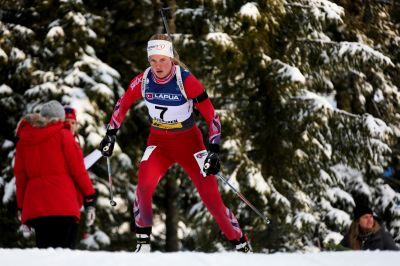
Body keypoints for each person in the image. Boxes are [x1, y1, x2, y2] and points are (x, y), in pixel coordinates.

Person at [100, 34, 250, 252]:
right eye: (153, 60)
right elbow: (122, 105)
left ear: (171, 58)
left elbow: (212, 117)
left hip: (190, 144)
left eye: (162, 60)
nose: (157, 65)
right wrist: (110, 134)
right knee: (143, 184)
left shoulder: (186, 80)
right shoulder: (143, 80)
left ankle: (241, 245)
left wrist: (214, 151)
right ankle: (143, 245)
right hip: (159, 142)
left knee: (212, 201)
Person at [14, 100, 96, 249]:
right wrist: (89, 197)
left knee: (46, 257)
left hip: (37, 209)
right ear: (59, 118)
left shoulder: (23, 141)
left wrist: (21, 207)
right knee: (63, 258)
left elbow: (20, 179)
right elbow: (78, 171)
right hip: (64, 207)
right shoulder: (63, 135)